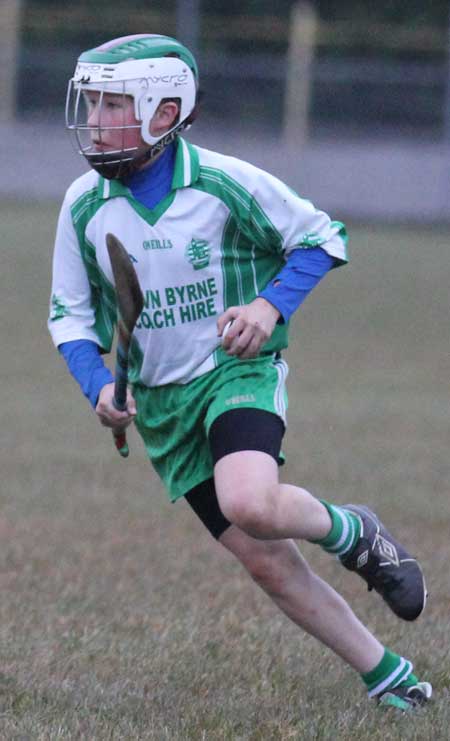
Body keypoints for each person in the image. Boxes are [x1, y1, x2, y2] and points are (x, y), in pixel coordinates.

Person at [48, 34, 431, 712]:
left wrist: (266, 304)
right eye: (94, 102)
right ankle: (389, 674)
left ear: (164, 114)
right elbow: (71, 317)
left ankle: (354, 532)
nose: (97, 119)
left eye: (113, 103)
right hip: (162, 410)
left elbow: (322, 237)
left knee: (250, 502)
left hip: (235, 372)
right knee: (266, 560)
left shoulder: (225, 182)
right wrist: (99, 387)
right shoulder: (83, 204)